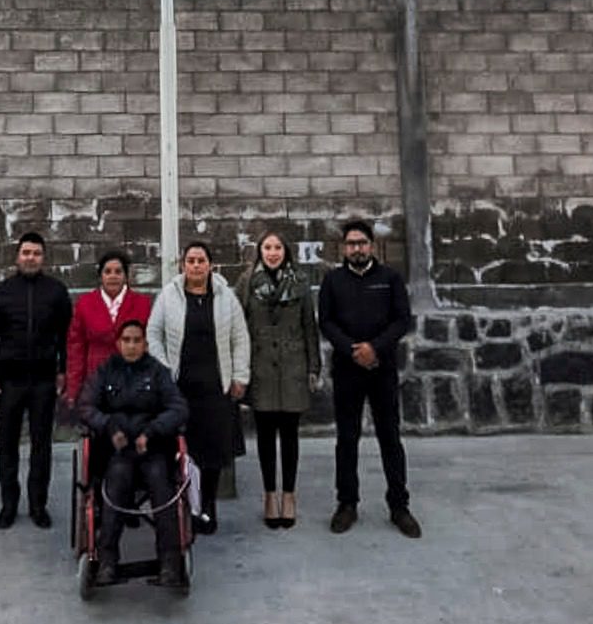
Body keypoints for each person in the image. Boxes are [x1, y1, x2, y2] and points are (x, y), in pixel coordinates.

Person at [318, 219, 421, 538]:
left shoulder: (390, 278)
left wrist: (374, 348)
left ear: (372, 246)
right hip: (347, 369)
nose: (357, 248)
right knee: (346, 440)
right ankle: (346, 504)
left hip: (382, 369)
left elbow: (402, 320)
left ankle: (399, 506)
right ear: (343, 248)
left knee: (390, 437)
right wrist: (352, 350)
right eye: (351, 244)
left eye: (362, 243)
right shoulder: (332, 281)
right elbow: (326, 321)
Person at [147, 239, 249, 534]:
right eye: (190, 260)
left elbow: (240, 338)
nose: (195, 265)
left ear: (210, 265)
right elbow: (153, 334)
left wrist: (240, 377)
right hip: (180, 388)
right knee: (181, 450)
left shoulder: (225, 296)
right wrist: (165, 371)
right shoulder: (169, 295)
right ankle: (181, 507)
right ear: (182, 265)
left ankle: (207, 507)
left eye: (201, 260)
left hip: (217, 388)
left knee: (212, 453)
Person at [82, 317, 188, 587]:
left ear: (145, 344)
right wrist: (108, 428)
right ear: (118, 343)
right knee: (115, 483)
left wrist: (151, 432)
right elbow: (86, 407)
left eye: (136, 341)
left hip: (152, 449)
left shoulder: (158, 372)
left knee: (161, 486)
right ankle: (106, 561)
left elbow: (178, 408)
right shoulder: (105, 371)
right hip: (117, 450)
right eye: (126, 340)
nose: (131, 345)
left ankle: (170, 563)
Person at [0, 230, 72, 530]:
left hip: (44, 379)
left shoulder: (56, 292)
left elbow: (66, 336)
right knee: (7, 445)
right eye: (26, 253)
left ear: (43, 258)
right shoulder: (2, 292)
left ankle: (37, 504)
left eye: (36, 253)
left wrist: (63, 369)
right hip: (10, 380)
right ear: (17, 257)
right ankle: (9, 504)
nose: (31, 258)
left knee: (41, 445)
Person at [235, 229, 321, 529]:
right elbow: (237, 324)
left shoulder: (299, 281)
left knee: (290, 434)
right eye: (267, 247)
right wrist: (238, 369)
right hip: (260, 367)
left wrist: (313, 366)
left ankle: (289, 494)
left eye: (278, 248)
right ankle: (270, 493)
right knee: (265, 434)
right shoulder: (247, 282)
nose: (273, 253)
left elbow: (309, 325)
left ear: (286, 251)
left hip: (292, 365)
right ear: (260, 251)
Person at [64, 250, 153, 410]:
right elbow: (76, 348)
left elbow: (149, 346)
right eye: (108, 271)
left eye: (118, 272)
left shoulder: (142, 304)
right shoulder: (85, 304)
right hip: (96, 382)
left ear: (126, 276)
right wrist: (74, 389)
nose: (113, 276)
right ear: (101, 276)